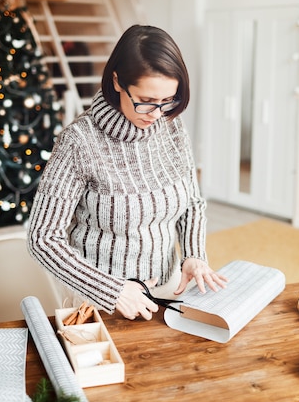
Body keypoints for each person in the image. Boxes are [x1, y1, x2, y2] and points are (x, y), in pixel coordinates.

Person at [27, 24, 227, 320]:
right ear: (118, 81)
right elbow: (43, 237)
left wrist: (194, 255)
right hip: (99, 300)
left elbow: (192, 204)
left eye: (167, 101)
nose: (157, 115)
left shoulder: (170, 127)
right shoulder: (79, 141)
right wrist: (112, 290)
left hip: (168, 288)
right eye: (145, 102)